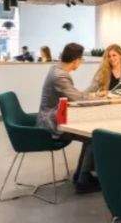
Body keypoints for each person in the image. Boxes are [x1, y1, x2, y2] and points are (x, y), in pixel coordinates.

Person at [37, 43, 99, 193]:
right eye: (81, 59)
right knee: (94, 137)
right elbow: (78, 99)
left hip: (54, 117)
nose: (81, 62)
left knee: (90, 135)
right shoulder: (60, 75)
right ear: (76, 60)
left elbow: (74, 95)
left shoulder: (56, 69)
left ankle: (81, 176)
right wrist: (97, 96)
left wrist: (91, 94)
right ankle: (83, 181)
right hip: (52, 123)